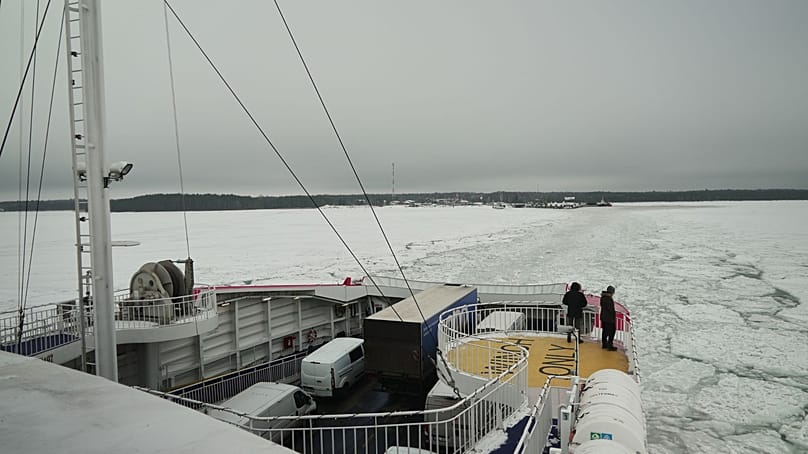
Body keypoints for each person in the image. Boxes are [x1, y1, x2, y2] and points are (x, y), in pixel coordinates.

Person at [600, 285, 617, 351]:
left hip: (603, 317)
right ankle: (610, 345)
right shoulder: (608, 299)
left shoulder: (603, 297)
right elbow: (610, 309)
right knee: (612, 331)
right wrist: (613, 316)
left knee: (605, 331)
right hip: (609, 318)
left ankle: (604, 343)